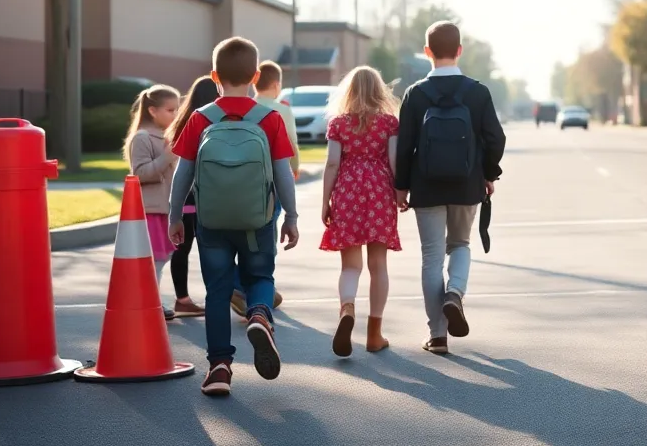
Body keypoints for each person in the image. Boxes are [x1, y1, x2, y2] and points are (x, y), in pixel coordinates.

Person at [168, 37, 301, 397]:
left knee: (216, 291)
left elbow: (184, 173)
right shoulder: (269, 118)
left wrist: (175, 215)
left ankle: (220, 368)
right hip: (257, 220)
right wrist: (290, 215)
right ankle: (259, 313)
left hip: (211, 222)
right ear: (256, 76)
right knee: (260, 275)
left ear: (214, 76)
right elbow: (283, 173)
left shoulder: (200, 118)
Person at [395, 21, 506, 356]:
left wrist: (401, 186)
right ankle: (454, 294)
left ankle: (437, 336)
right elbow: (496, 139)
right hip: (466, 183)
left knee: (431, 257)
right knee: (460, 245)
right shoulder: (477, 92)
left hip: (426, 187)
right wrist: (488, 173)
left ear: (427, 52)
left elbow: (404, 145)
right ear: (459, 51)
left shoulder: (415, 94)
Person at [320, 66, 401, 357]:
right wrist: (399, 192)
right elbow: (393, 160)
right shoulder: (390, 123)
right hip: (379, 191)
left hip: (347, 191)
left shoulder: (338, 124)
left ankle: (347, 308)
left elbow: (331, 164)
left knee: (350, 266)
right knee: (378, 265)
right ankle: (374, 334)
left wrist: (326, 201)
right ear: (380, 91)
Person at [223, 60, 298, 317]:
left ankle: (241, 287)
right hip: (267, 185)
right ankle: (260, 290)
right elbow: (291, 146)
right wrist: (293, 171)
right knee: (264, 238)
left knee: (226, 242)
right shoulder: (279, 111)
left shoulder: (233, 110)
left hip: (229, 185)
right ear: (276, 85)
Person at [123, 84, 181, 321]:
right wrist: (166, 157)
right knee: (155, 259)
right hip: (150, 209)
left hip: (165, 208)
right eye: (170, 110)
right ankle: (151, 302)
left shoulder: (167, 137)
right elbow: (140, 173)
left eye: (177, 109)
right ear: (153, 111)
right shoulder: (142, 138)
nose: (175, 115)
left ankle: (150, 298)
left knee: (161, 258)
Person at [165, 76, 220, 318]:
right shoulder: (214, 120)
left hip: (186, 197)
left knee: (182, 249)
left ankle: (182, 298)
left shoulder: (183, 122)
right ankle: (222, 295)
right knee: (214, 249)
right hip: (209, 196)